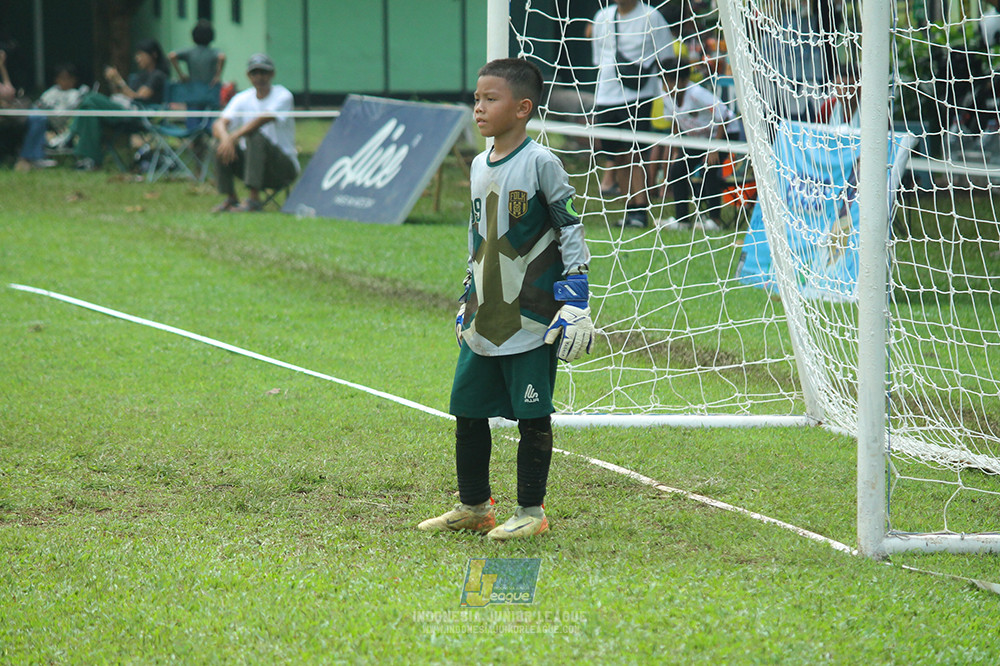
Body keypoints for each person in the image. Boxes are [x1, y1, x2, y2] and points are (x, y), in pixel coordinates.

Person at [417, 58, 594, 540]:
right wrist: (465, 297)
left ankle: (532, 513)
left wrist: (575, 300)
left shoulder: (542, 162)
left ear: (522, 108)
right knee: (467, 410)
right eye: (476, 98)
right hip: (483, 317)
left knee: (532, 415)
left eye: (489, 99)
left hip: (532, 317)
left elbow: (570, 227)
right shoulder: (478, 164)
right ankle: (474, 506)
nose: (478, 107)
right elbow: (479, 239)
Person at [588, 0, 674, 228]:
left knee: (636, 153)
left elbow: (666, 55)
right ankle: (630, 209)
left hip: (639, 95)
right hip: (606, 95)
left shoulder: (651, 17)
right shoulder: (602, 17)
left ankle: (641, 208)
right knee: (617, 156)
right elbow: (598, 59)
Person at [653, 59, 736, 231]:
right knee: (677, 170)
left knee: (710, 166)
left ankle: (715, 221)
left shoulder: (696, 93)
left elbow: (724, 115)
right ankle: (682, 220)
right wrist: (678, 149)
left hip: (723, 134)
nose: (667, 86)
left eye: (671, 80)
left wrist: (714, 147)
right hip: (696, 139)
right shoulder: (667, 99)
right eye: (664, 81)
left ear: (684, 80)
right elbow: (675, 124)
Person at [211, 53, 299, 213]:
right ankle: (231, 198)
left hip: (282, 166)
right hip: (251, 165)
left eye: (263, 72)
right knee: (217, 144)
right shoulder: (241, 98)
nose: (259, 77)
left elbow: (263, 119)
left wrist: (234, 136)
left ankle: (253, 200)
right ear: (248, 75)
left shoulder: (283, 95)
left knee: (254, 136)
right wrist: (225, 139)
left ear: (272, 74)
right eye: (255, 73)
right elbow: (219, 124)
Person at [71, 39, 169, 171]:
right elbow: (123, 95)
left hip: (138, 114)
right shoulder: (139, 76)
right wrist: (113, 81)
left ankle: (70, 135)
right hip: (126, 109)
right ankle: (93, 161)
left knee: (91, 98)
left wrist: (119, 80)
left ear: (153, 55)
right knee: (90, 110)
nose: (137, 58)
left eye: (141, 54)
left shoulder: (157, 76)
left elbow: (139, 97)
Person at [15, 63, 85, 171]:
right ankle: (31, 157)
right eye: (62, 78)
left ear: (74, 80)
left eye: (68, 78)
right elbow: (40, 104)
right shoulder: (52, 92)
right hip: (46, 120)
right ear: (56, 79)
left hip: (62, 123)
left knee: (38, 118)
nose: (65, 82)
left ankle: (29, 157)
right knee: (36, 117)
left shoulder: (76, 94)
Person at [168, 19, 226, 113]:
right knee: (210, 115)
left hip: (193, 89)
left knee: (193, 114)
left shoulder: (190, 52)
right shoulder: (212, 52)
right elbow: (222, 57)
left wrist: (181, 74)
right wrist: (217, 76)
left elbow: (172, 55)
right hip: (210, 89)